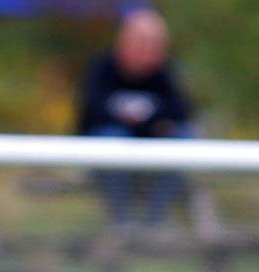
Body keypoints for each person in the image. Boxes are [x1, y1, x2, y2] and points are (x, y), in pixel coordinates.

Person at [76, 7, 195, 227]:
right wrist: (127, 119)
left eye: (155, 45)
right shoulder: (102, 67)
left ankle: (154, 221)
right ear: (124, 41)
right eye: (142, 43)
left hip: (152, 153)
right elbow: (90, 111)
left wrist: (148, 121)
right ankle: (120, 222)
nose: (148, 52)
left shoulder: (164, 73)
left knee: (185, 137)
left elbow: (181, 111)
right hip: (109, 154)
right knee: (113, 137)